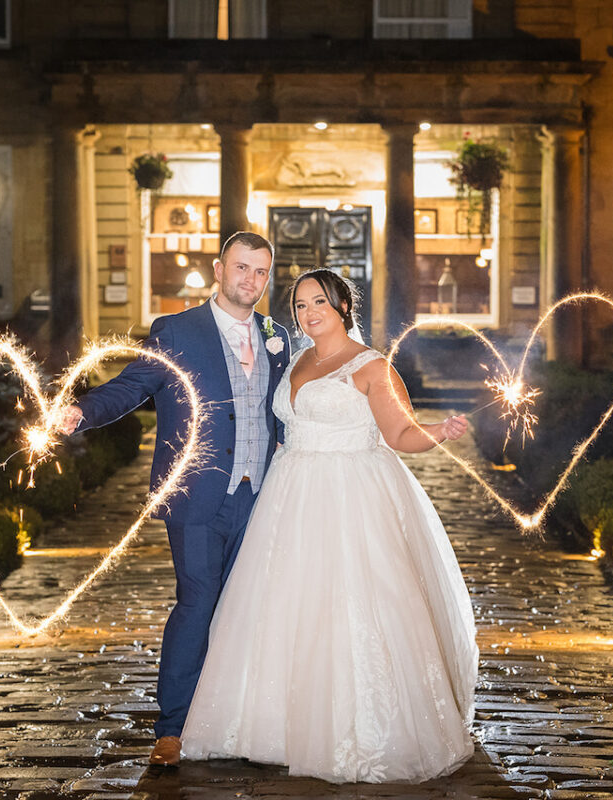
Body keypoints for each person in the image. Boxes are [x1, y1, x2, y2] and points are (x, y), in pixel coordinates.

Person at [181, 268, 477, 783]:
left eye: (319, 302)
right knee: (281, 608)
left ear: (343, 307)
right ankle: (273, 726)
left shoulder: (371, 366)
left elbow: (400, 434)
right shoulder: (294, 359)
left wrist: (440, 432)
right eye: (299, 305)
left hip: (351, 494)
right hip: (290, 494)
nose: (309, 312)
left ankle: (360, 730)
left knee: (353, 606)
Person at [57, 231, 291, 767]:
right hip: (200, 495)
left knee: (246, 610)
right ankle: (174, 726)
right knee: (197, 603)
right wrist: (82, 411)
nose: (250, 280)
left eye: (260, 272)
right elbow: (132, 386)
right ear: (218, 269)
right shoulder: (177, 330)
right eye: (241, 268)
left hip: (263, 495)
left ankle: (236, 719)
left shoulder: (277, 336)